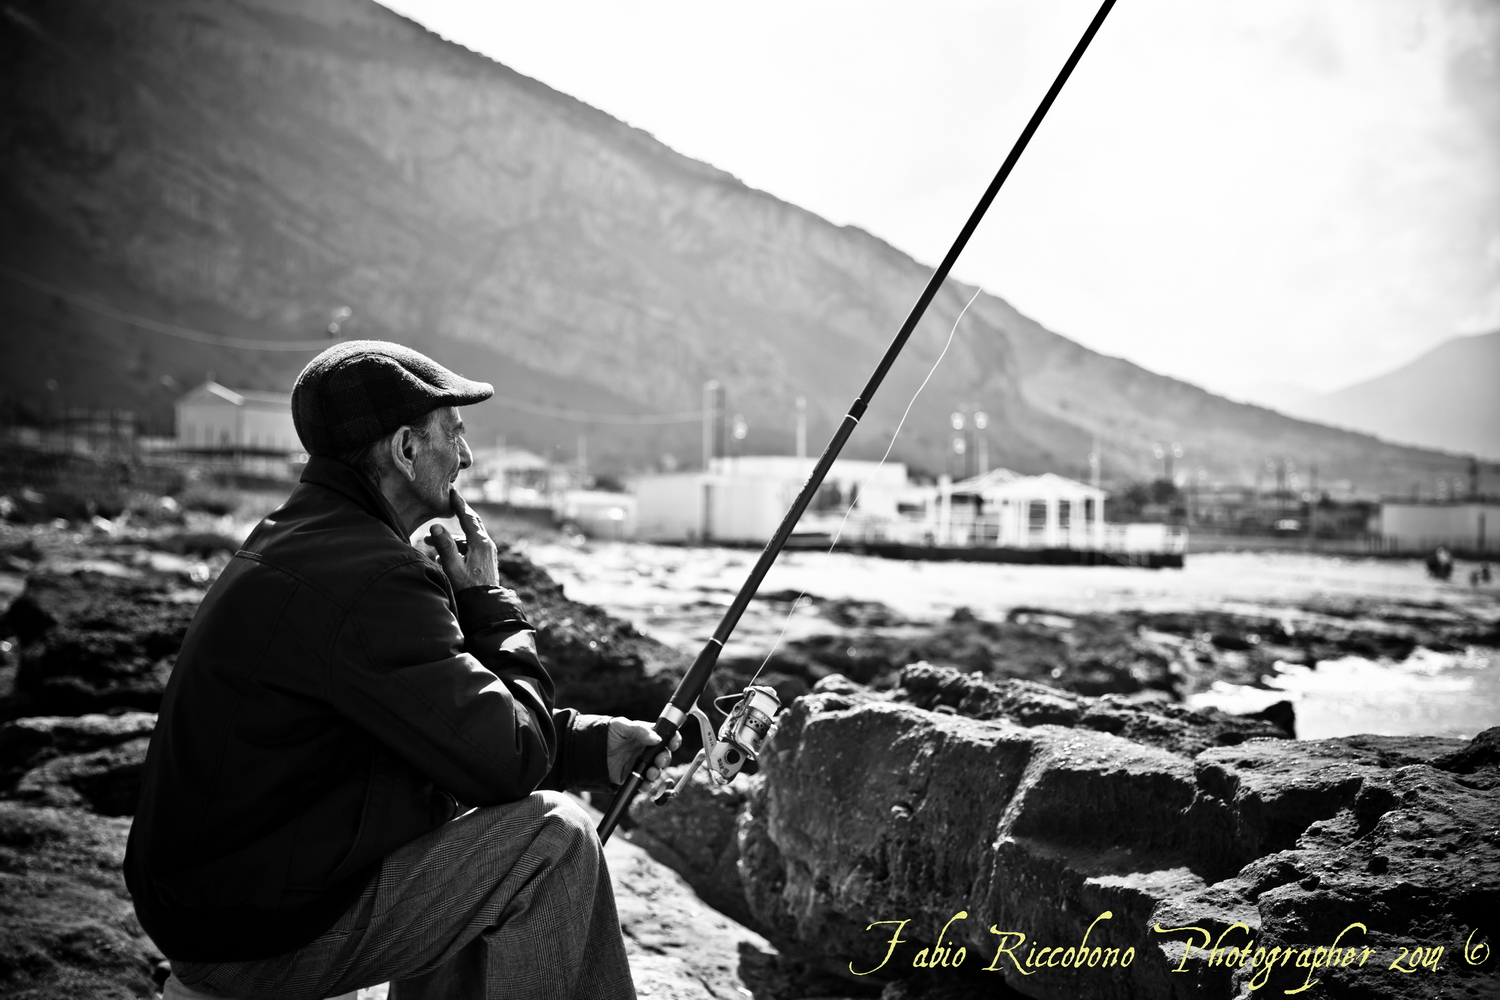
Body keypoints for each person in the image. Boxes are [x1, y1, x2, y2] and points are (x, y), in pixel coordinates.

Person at [126, 341, 676, 1000]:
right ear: (407, 448)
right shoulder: (374, 576)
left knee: (462, 816)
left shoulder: (300, 538)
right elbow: (508, 760)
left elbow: (443, 723)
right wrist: (490, 607)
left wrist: (591, 745)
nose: (466, 457)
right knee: (554, 841)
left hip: (217, 909)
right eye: (455, 433)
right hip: (256, 936)